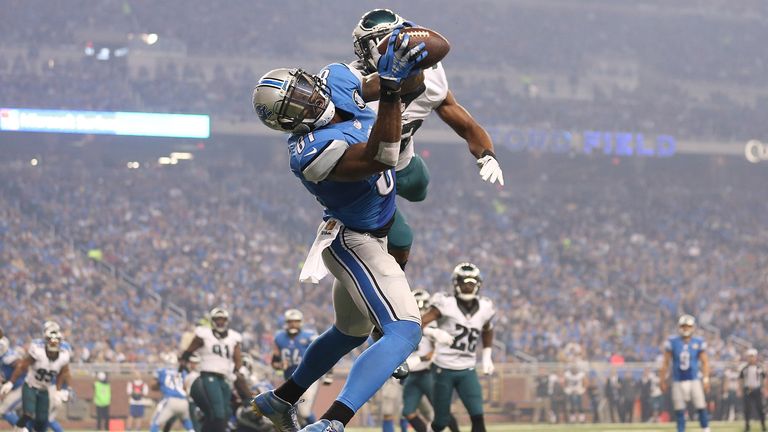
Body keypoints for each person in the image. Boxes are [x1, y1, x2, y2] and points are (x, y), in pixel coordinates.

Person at [250, 28, 428, 432]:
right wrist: (392, 89)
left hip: (367, 233)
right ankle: (332, 423)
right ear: (288, 122)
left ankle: (282, 398)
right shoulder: (310, 152)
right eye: (296, 102)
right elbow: (382, 155)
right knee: (404, 330)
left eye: (303, 87)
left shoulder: (337, 79)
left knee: (351, 331)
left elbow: (413, 85)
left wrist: (405, 64)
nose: (309, 97)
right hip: (354, 240)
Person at [350, 8, 504, 270]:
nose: (400, 47)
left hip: (403, 159)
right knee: (400, 238)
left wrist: (486, 153)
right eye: (389, 42)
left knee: (420, 186)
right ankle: (388, 288)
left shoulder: (431, 77)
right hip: (371, 171)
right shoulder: (356, 87)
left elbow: (465, 123)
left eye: (399, 39)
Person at [420, 262, 496, 432]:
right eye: (464, 282)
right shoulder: (445, 302)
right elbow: (419, 324)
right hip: (443, 369)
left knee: (478, 417)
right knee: (440, 422)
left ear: (478, 284)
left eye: (471, 282)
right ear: (456, 284)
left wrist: (487, 355)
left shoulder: (485, 306)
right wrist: (435, 333)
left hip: (467, 370)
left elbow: (488, 328)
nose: (468, 286)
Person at [178, 307, 247, 432]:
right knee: (218, 412)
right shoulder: (204, 334)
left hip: (225, 378)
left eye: (222, 320)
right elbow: (189, 350)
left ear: (227, 321)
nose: (220, 322)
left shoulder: (233, 337)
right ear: (212, 321)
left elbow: (238, 358)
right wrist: (183, 362)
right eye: (217, 320)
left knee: (226, 412)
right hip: (208, 375)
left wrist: (238, 371)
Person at [1, 324, 71, 432]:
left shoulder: (63, 355)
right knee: (28, 414)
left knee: (42, 421)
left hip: (45, 389)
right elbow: (22, 366)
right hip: (30, 385)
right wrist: (10, 382)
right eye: (51, 340)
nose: (53, 343)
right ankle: (19, 429)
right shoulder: (38, 351)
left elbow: (64, 373)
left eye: (56, 341)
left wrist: (61, 390)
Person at [659, 314, 711, 432]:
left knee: (701, 406)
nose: (685, 329)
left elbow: (705, 362)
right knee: (679, 409)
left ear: (693, 327)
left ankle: (706, 429)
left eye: (688, 326)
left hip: (694, 379)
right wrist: (662, 380)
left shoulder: (698, 341)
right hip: (677, 379)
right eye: (683, 326)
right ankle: (681, 430)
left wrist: (706, 379)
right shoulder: (672, 342)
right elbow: (665, 363)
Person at [271, 309, 322, 425]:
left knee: (304, 412)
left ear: (301, 322)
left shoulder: (310, 336)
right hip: (290, 380)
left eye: (296, 321)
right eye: (290, 321)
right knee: (294, 412)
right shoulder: (279, 338)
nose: (293, 324)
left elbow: (322, 353)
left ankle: (318, 428)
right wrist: (280, 365)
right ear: (286, 323)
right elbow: (274, 362)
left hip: (308, 377)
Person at [149, 357, 195, 432]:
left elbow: (153, 385)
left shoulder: (162, 371)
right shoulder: (183, 372)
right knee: (188, 425)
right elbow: (185, 387)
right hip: (184, 401)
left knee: (155, 423)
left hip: (170, 400)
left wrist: (161, 386)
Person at [739, 348, 766, 432]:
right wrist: (740, 389)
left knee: (760, 408)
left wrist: (764, 388)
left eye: (752, 356)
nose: (751, 358)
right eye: (749, 357)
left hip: (757, 389)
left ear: (755, 357)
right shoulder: (744, 368)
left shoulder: (759, 368)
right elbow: (741, 379)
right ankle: (747, 426)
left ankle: (763, 425)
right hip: (747, 390)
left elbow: (764, 378)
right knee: (747, 409)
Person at [0, 336, 24, 427]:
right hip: (15, 388)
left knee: (4, 410)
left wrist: (11, 382)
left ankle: (22, 429)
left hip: (20, 387)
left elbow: (20, 365)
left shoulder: (8, 356)